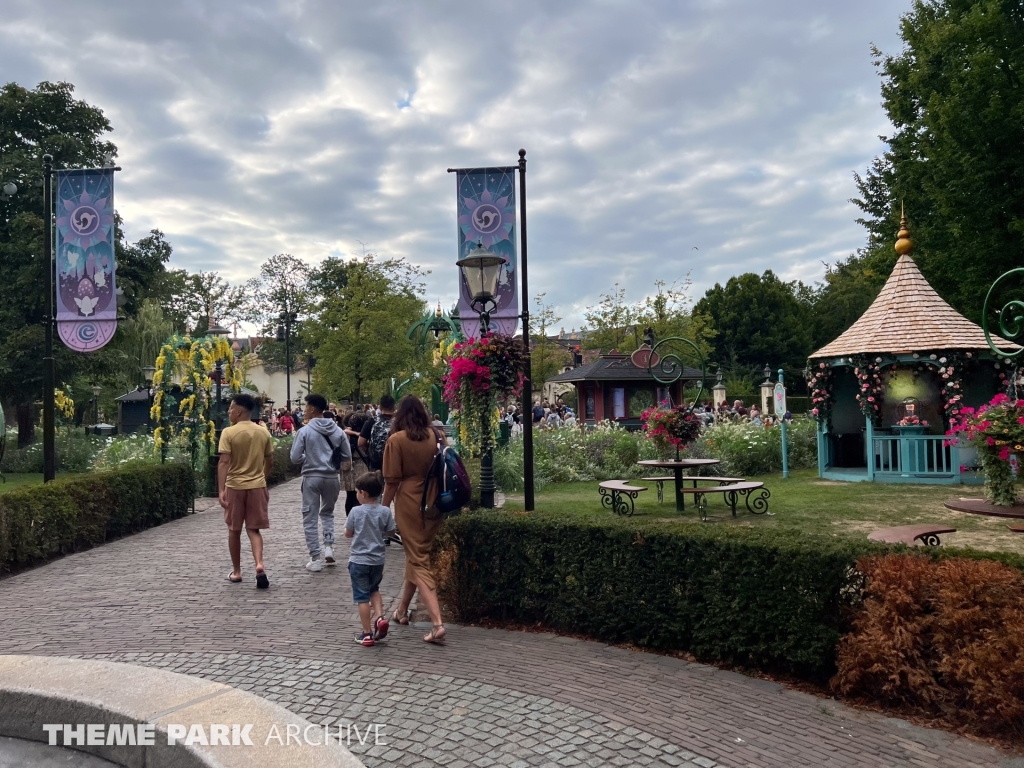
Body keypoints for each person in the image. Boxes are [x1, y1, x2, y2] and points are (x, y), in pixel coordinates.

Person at [382, 395, 447, 644]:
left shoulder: (396, 440)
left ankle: (437, 623)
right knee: (417, 553)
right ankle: (402, 611)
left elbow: (391, 481)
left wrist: (383, 508)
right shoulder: (436, 435)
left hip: (409, 499)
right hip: (434, 499)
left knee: (419, 559)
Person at [218, 393, 273, 589]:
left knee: (234, 530)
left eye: (231, 408)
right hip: (257, 485)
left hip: (235, 486)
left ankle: (237, 571)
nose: (229, 412)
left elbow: (224, 461)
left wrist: (221, 489)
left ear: (239, 411)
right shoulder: (263, 432)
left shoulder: (228, 433)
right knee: (254, 529)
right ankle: (259, 564)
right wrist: (262, 477)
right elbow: (270, 460)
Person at [290, 393, 351, 572]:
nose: (305, 410)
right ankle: (329, 547)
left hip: (311, 476)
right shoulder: (338, 430)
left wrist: (307, 457)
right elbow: (346, 455)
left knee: (310, 516)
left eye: (307, 407)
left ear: (313, 408)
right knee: (328, 513)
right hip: (332, 477)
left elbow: (294, 458)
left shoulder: (305, 431)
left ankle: (315, 557)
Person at [345, 471, 397, 647]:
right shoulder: (385, 511)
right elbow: (391, 531)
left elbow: (348, 533)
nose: (357, 495)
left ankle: (366, 634)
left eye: (357, 492)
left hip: (359, 560)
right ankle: (380, 617)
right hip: (377, 560)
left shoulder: (355, 511)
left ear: (363, 493)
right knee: (374, 588)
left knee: (361, 597)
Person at [342, 411, 372, 515]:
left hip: (349, 466)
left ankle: (351, 519)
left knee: (350, 495)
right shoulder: (367, 434)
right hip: (362, 465)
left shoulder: (346, 434)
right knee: (363, 496)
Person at [359, 394, 396, 471]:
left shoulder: (371, 421)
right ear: (394, 407)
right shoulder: (399, 422)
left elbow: (361, 443)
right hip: (394, 464)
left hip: (375, 465)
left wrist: (368, 450)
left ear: (380, 407)